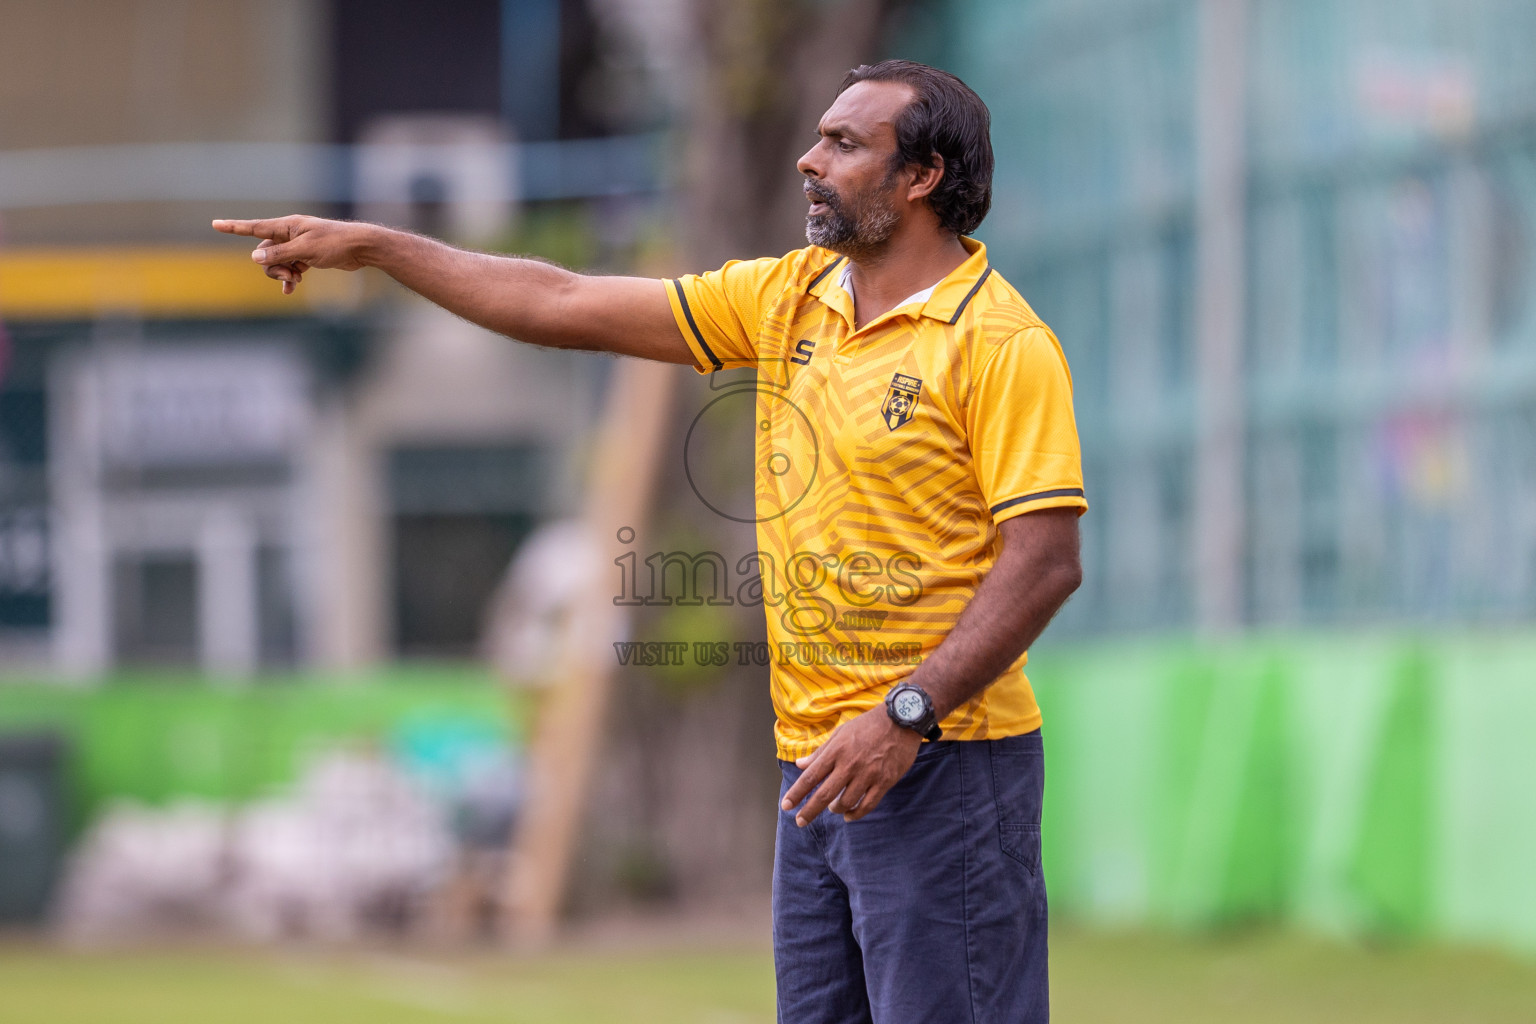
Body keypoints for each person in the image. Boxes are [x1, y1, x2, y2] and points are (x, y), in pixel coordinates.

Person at [216, 58, 1084, 1024]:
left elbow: (1046, 562)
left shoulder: (1002, 344)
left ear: (921, 177)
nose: (808, 158)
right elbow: (559, 302)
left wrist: (904, 714)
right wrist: (378, 248)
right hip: (817, 779)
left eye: (843, 143)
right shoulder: (793, 296)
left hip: (944, 768)